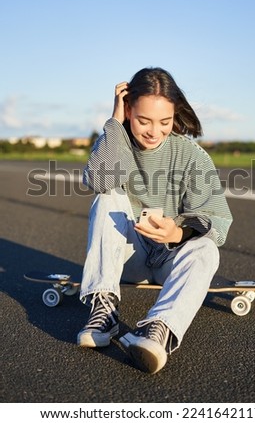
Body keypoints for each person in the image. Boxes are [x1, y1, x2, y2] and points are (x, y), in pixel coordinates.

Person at [77, 67, 233, 374]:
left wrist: (178, 232)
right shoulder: (115, 137)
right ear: (129, 110)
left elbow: (219, 221)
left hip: (168, 260)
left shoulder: (191, 155)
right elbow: (98, 180)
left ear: (175, 115)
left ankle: (158, 330)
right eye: (143, 120)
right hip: (127, 257)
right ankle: (104, 311)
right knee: (108, 196)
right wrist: (114, 123)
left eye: (164, 122)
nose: (153, 131)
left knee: (207, 250)